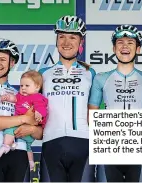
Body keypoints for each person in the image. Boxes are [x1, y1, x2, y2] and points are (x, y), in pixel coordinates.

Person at [89, 24, 142, 182]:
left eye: (130, 43)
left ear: (138, 49)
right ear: (113, 48)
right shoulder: (101, 78)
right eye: (120, 42)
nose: (125, 46)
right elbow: (91, 116)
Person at [0, 38, 42, 182]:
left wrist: (30, 128)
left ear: (12, 63)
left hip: (19, 153)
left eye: (3, 59)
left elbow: (39, 132)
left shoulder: (20, 94)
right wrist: (24, 119)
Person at [38, 15, 96, 182]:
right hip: (51, 144)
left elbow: (95, 111)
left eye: (72, 37)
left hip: (83, 144)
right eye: (61, 36)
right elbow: (32, 107)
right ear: (56, 41)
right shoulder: (43, 73)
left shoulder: (90, 73)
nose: (66, 42)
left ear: (80, 43)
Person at [0, 70, 48, 171]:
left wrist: (38, 113)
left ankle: (6, 145)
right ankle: (31, 162)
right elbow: (14, 98)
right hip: (24, 130)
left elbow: (41, 107)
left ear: (37, 87)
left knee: (9, 130)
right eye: (21, 85)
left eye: (27, 86)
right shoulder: (20, 96)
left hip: (29, 127)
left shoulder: (37, 97)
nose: (23, 88)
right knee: (27, 147)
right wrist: (7, 97)